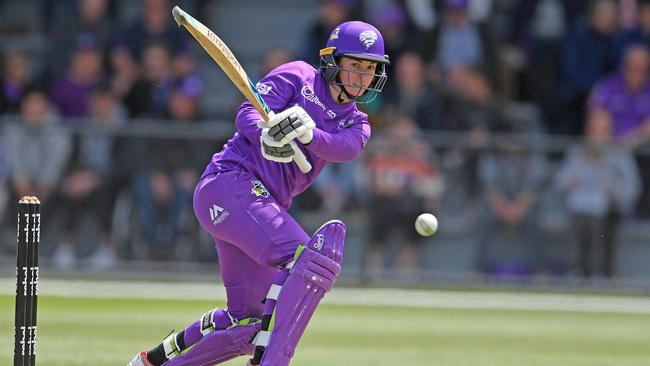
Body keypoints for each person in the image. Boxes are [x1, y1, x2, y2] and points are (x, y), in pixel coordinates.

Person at [128, 20, 389, 366]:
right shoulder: (299, 75)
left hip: (262, 207)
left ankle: (157, 361)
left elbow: (344, 149)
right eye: (354, 65)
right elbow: (248, 111)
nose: (361, 76)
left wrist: (309, 135)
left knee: (248, 328)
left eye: (369, 69)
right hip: (228, 182)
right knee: (309, 261)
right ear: (333, 60)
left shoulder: (357, 122)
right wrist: (264, 136)